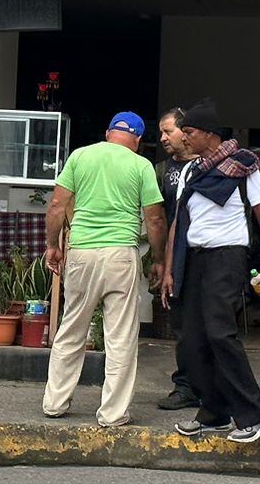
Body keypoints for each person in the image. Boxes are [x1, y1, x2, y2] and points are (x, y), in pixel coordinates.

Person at [163, 99, 260, 444]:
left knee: (219, 333)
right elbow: (178, 223)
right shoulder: (191, 170)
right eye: (182, 133)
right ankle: (214, 413)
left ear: (210, 135)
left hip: (226, 259)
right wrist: (171, 267)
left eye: (190, 133)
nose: (183, 139)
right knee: (193, 339)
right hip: (193, 259)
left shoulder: (244, 167)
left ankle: (256, 413)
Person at [41, 111, 166, 427]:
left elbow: (56, 206)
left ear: (108, 132)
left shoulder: (81, 156)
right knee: (120, 336)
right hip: (120, 255)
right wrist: (159, 259)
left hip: (82, 251)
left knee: (71, 328)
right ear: (137, 140)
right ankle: (113, 413)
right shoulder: (141, 166)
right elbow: (154, 218)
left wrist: (53, 245)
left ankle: (55, 403)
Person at [153, 107, 201, 411]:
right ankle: (185, 386)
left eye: (168, 131)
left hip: (207, 252)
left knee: (210, 324)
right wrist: (158, 260)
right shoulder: (161, 170)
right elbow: (156, 215)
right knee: (182, 324)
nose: (162, 138)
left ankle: (210, 386)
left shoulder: (211, 165)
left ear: (187, 131)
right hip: (175, 255)